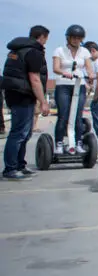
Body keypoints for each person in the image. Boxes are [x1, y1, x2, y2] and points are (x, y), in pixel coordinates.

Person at [1, 25, 51, 180]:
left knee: (25, 132)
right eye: (46, 39)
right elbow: (35, 79)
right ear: (41, 37)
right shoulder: (33, 52)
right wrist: (43, 102)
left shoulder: (16, 50)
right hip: (23, 95)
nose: (45, 42)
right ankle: (10, 169)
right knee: (19, 132)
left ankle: (20, 165)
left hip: (13, 93)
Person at [52, 25, 94, 154]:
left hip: (78, 85)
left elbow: (88, 67)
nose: (76, 40)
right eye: (74, 37)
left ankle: (78, 143)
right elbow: (55, 68)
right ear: (68, 38)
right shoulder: (59, 51)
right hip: (63, 85)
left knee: (77, 116)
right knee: (63, 115)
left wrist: (91, 75)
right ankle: (59, 143)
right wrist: (65, 73)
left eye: (79, 38)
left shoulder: (84, 52)